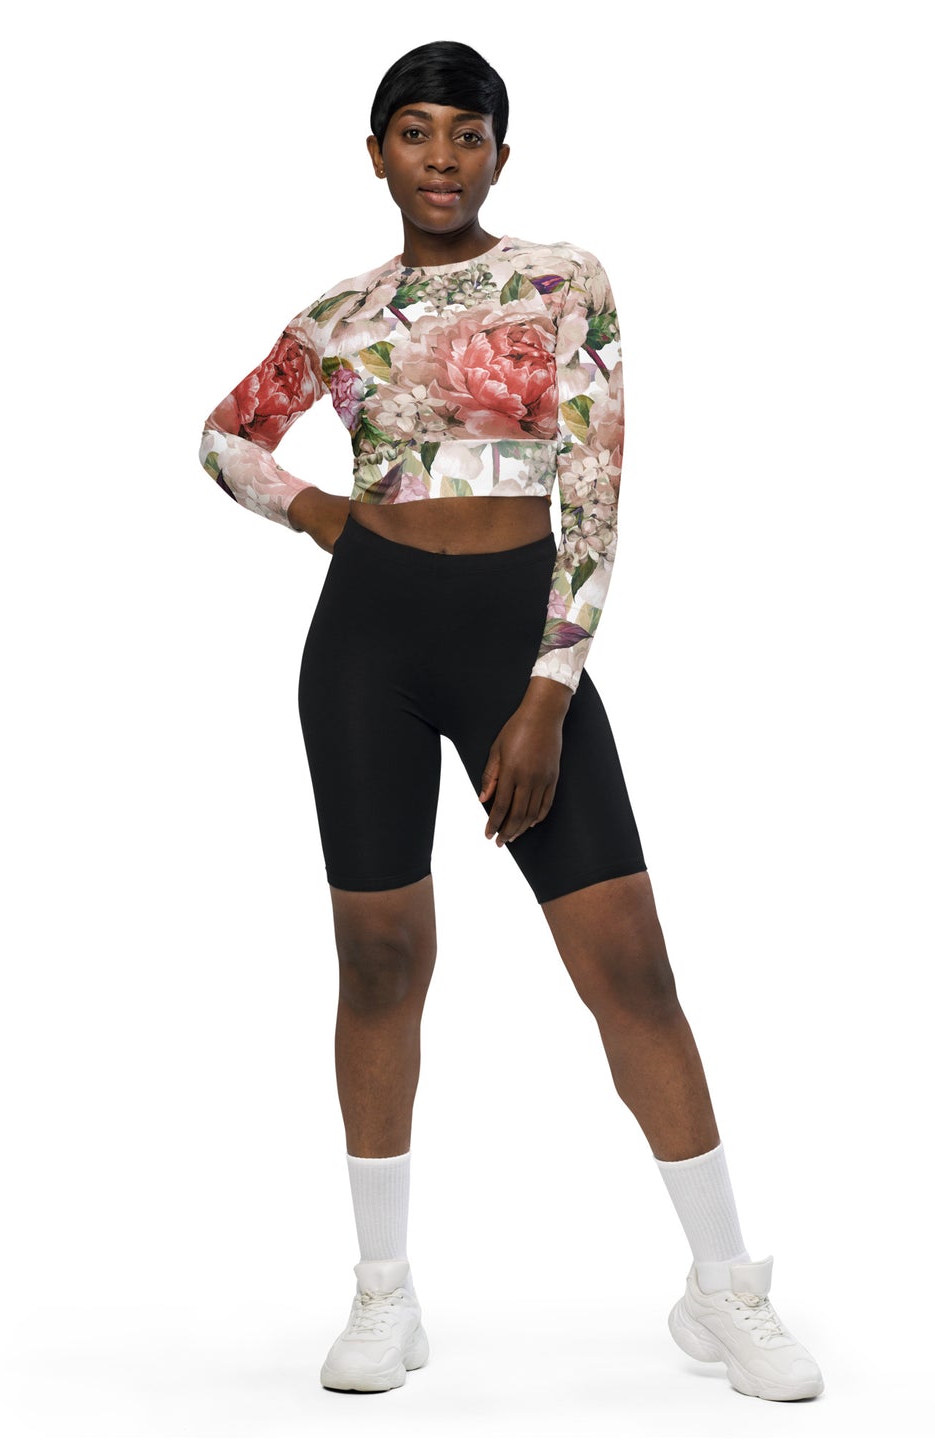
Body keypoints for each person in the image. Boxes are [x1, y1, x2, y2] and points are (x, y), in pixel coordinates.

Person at [196, 39, 825, 1403]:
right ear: (376, 153)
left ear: (497, 154)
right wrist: (320, 513)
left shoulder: (560, 280)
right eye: (414, 132)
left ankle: (724, 1287)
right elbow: (225, 435)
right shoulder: (338, 313)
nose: (440, 157)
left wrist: (548, 687)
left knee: (629, 966)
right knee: (379, 959)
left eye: (466, 134)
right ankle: (383, 1293)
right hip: (365, 638)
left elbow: (592, 486)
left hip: (516, 634)